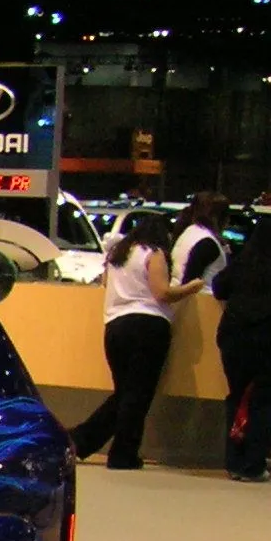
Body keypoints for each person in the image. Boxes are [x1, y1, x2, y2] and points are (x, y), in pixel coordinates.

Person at [69, 210, 202, 469]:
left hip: (115, 327)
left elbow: (105, 283)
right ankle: (122, 452)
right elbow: (162, 293)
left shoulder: (117, 255)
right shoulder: (154, 253)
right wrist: (192, 287)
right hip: (148, 327)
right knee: (137, 394)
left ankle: (81, 440)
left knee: (125, 393)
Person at [215, 228, 271, 482]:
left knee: (236, 397)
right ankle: (252, 463)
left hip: (233, 338)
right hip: (264, 338)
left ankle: (234, 461)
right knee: (262, 400)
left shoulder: (241, 264)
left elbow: (219, 287)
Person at [171, 192, 231, 296]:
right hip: (201, 301)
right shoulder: (207, 242)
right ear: (220, 218)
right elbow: (189, 282)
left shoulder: (189, 232)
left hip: (179, 297)